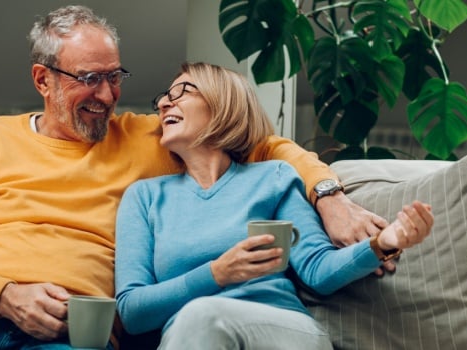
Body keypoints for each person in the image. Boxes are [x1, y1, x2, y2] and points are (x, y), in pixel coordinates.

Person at [0, 5, 392, 350]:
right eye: (90, 79)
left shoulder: (147, 137)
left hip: (70, 334)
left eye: (115, 77)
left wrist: (327, 194)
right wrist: (3, 294)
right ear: (44, 79)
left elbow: (259, 140)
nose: (107, 96)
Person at [114, 62, 435, 349]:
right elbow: (132, 312)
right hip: (192, 334)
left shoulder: (272, 177)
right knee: (199, 316)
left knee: (201, 315)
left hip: (282, 330)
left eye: (183, 91)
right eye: (163, 97)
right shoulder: (144, 198)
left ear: (223, 102)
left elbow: (318, 269)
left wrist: (385, 242)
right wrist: (217, 273)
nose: (164, 102)